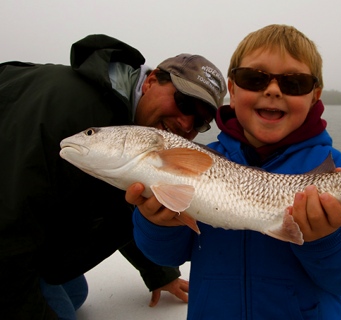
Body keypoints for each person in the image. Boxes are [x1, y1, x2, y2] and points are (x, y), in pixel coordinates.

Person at [127, 24, 341, 319]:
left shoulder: (334, 168)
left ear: (315, 96)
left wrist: (329, 239)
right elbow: (167, 255)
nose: (273, 90)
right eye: (254, 78)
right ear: (232, 92)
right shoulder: (196, 159)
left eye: (294, 83)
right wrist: (158, 224)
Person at [0, 34, 227, 320]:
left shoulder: (134, 133)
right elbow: (8, 230)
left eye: (200, 121)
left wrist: (159, 273)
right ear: (151, 80)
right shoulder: (69, 112)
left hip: (29, 237)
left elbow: (116, 205)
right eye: (183, 102)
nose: (185, 123)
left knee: (74, 291)